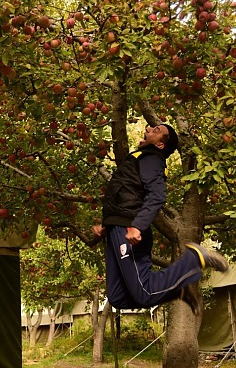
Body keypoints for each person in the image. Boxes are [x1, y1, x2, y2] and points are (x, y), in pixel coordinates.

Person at [92, 123, 228, 310]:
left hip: (130, 229)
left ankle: (194, 259)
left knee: (145, 292)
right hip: (117, 227)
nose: (149, 129)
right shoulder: (139, 158)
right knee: (117, 297)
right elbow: (126, 195)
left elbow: (156, 195)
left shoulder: (152, 158)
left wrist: (137, 225)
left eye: (156, 130)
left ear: (160, 145)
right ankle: (178, 291)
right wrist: (108, 224)